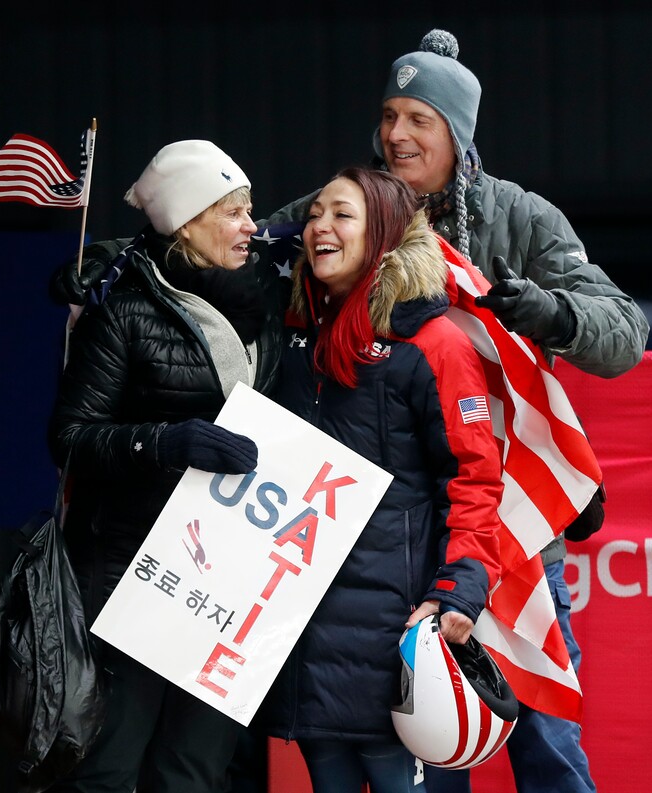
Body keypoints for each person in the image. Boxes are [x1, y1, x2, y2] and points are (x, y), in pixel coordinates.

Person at [49, 29, 650, 793]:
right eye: (390, 115)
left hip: (509, 531)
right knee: (391, 751)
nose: (395, 134)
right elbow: (229, 244)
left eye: (419, 120)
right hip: (385, 551)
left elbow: (623, 333)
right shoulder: (344, 204)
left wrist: (546, 311)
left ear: (458, 136)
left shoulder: (521, 219)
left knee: (544, 737)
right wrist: (125, 266)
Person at [45, 139, 288, 793]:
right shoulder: (122, 310)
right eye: (233, 212)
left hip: (232, 582)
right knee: (110, 767)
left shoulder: (272, 296)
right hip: (132, 576)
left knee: (195, 771)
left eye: (251, 211)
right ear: (186, 222)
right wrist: (164, 443)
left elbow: (347, 214)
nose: (250, 226)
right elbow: (68, 438)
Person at [260, 165, 504, 793]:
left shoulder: (433, 342)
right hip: (303, 623)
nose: (320, 226)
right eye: (315, 214)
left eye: (342, 214)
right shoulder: (287, 331)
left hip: (399, 631)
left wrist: (458, 591)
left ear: (386, 234)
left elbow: (475, 479)